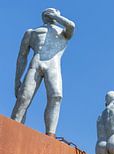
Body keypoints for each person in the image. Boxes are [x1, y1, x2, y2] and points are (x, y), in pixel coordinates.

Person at [11, 8, 75, 137]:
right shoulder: (32, 32)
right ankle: (13, 126)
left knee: (56, 96)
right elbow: (22, 57)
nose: (49, 12)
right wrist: (17, 79)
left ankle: (50, 134)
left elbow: (71, 26)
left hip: (53, 65)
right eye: (47, 11)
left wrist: (57, 17)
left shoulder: (62, 33)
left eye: (53, 11)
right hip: (36, 63)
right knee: (24, 97)